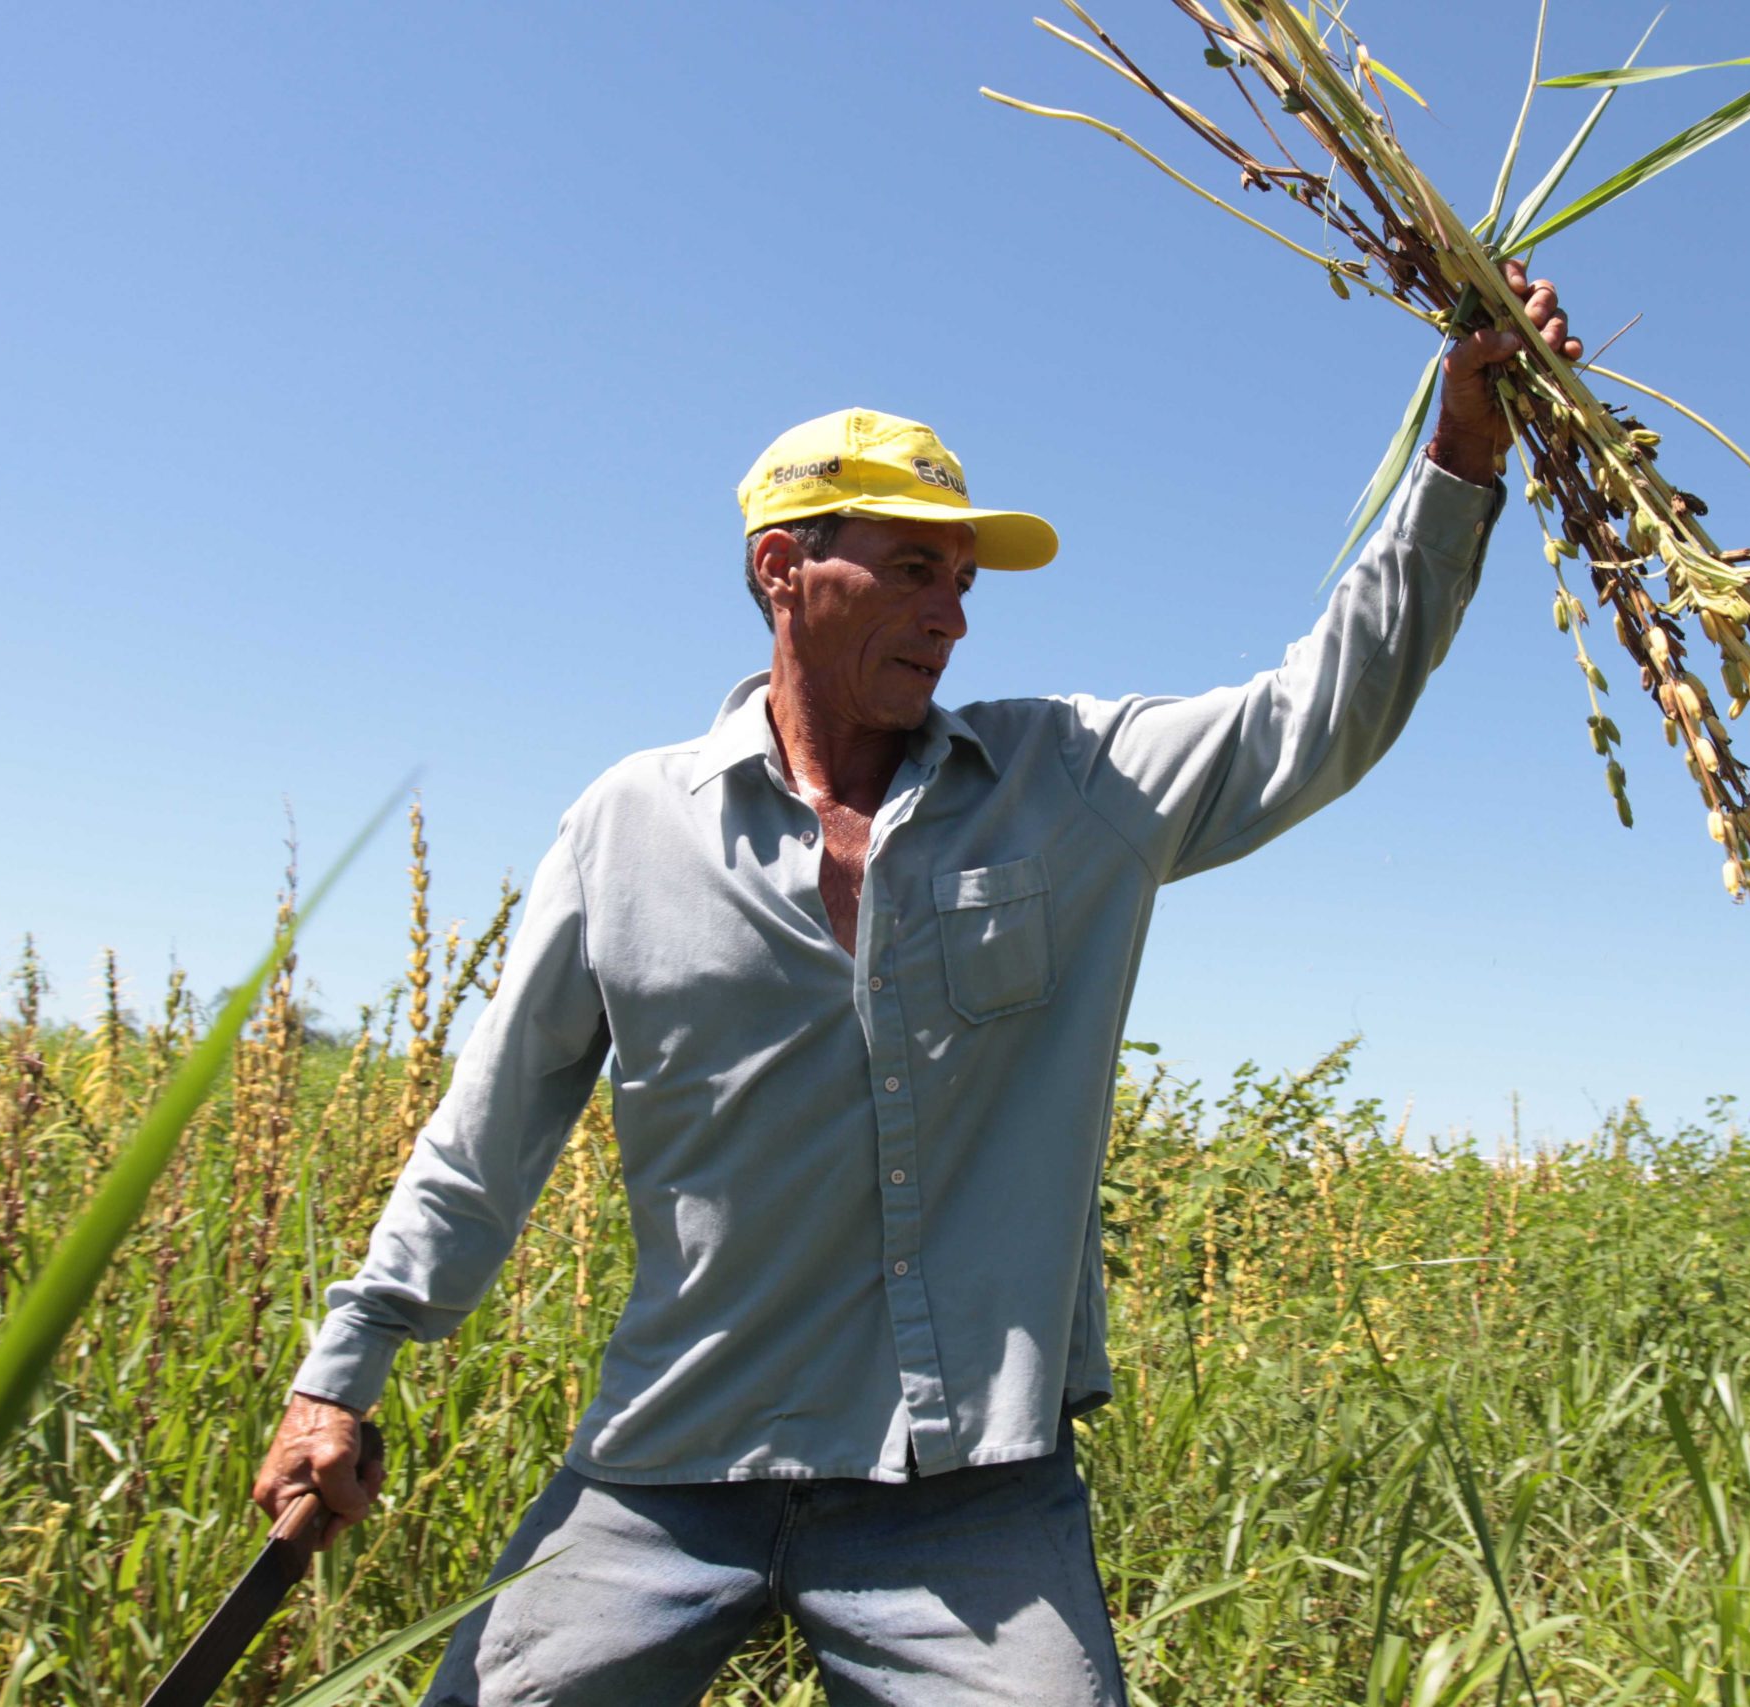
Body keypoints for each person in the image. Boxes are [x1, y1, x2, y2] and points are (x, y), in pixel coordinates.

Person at [254, 264, 1580, 1705]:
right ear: (782, 568)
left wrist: (1460, 452)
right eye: (910, 568)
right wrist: (345, 1366)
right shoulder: (626, 826)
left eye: (962, 579)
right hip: (672, 1466)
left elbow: (1322, 710)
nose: (954, 615)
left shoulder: (1067, 784)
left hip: (968, 1494)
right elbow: (488, 1133)